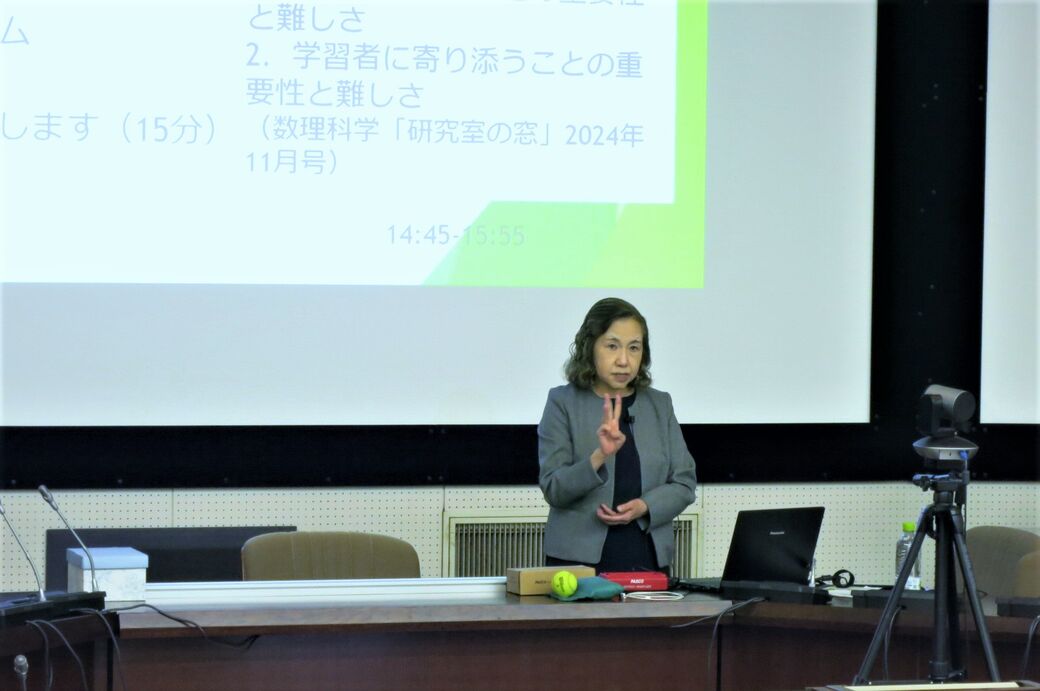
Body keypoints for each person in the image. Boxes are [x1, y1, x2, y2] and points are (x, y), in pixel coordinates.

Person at [538, 298, 697, 574]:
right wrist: (600, 456)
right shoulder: (562, 402)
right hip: (577, 563)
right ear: (590, 347)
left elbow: (684, 484)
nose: (624, 360)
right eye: (612, 346)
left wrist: (645, 506)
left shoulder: (659, 404)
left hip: (647, 555)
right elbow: (554, 489)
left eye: (634, 348)